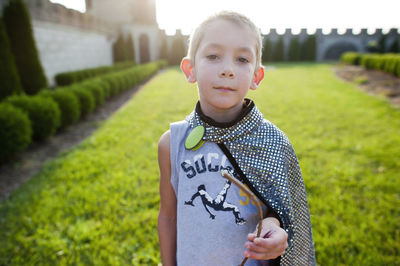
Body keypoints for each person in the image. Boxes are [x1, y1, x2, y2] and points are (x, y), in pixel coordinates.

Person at [158, 11, 315, 266]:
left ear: (256, 76)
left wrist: (277, 231)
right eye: (213, 56)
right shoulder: (171, 144)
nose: (228, 70)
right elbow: (168, 217)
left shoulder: (272, 142)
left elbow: (279, 212)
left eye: (242, 59)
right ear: (190, 69)